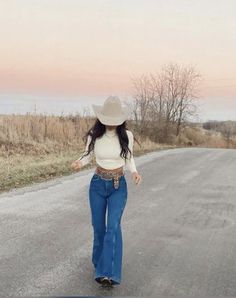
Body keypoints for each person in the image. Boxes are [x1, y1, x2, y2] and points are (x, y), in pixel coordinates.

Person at [71, 96, 142, 287]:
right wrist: (79, 162)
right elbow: (87, 155)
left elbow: (129, 158)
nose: (111, 124)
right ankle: (100, 263)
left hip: (118, 186)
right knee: (99, 228)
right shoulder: (94, 134)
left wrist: (134, 172)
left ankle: (107, 273)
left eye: (114, 121)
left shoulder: (126, 135)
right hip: (97, 185)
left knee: (113, 227)